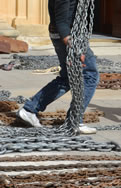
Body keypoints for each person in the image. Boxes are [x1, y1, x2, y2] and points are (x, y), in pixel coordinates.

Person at [16, 0, 99, 134]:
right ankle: (75, 120)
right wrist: (75, 50)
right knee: (90, 75)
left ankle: (30, 110)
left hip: (69, 36)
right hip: (69, 37)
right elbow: (61, 21)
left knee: (66, 78)